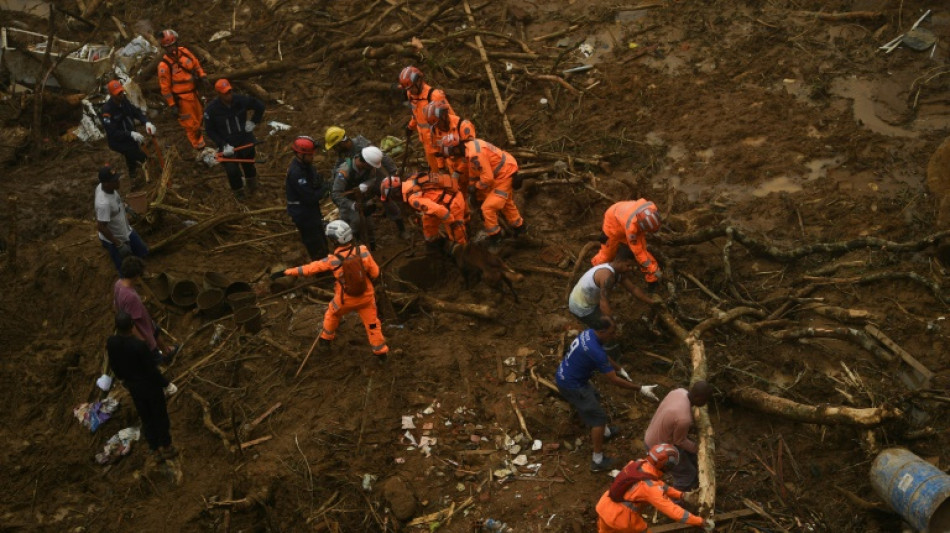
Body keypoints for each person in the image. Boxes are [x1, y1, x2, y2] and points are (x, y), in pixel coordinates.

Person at [271, 220, 389, 359]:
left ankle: (325, 341)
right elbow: (375, 273)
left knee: (332, 314)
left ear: (334, 241)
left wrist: (286, 272)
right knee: (373, 325)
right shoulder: (363, 251)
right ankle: (381, 354)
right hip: (366, 298)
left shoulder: (333, 260)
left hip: (345, 300)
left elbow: (309, 269)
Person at [555, 320, 658, 472]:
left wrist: (619, 368)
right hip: (572, 385)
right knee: (598, 418)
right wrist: (640, 388)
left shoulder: (589, 334)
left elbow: (603, 356)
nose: (613, 336)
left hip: (570, 376)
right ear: (602, 331)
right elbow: (613, 380)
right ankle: (597, 460)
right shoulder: (594, 350)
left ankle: (606, 432)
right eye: (611, 333)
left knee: (595, 396)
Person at [107, 310, 179, 462]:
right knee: (159, 416)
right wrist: (166, 383)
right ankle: (167, 447)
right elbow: (151, 371)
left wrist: (124, 380)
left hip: (134, 387)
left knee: (146, 417)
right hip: (150, 387)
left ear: (116, 327)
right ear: (132, 326)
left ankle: (155, 450)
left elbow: (114, 365)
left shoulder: (112, 343)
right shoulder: (139, 346)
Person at [595, 444, 714, 533]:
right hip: (622, 518)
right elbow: (674, 512)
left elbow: (658, 485)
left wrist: (681, 495)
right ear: (666, 466)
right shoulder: (650, 488)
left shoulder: (639, 464)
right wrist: (701, 522)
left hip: (605, 505)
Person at [325, 126, 409, 239]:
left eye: (335, 147)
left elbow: (382, 156)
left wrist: (393, 172)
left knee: (387, 199)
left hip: (375, 176)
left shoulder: (361, 144)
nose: (335, 150)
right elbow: (338, 171)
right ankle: (366, 238)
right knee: (360, 209)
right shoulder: (343, 155)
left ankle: (401, 228)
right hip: (360, 182)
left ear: (341, 143)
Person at [441, 133, 525, 244]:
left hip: (504, 175)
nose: (453, 157)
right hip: (503, 172)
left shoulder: (475, 155)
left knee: (487, 208)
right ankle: (520, 228)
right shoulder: (469, 149)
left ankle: (496, 238)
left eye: (452, 153)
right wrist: (470, 186)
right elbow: (473, 172)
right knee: (506, 203)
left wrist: (475, 187)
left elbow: (487, 179)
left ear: (456, 149)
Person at [569, 247, 659, 333]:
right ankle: (604, 346)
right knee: (608, 330)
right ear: (619, 261)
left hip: (589, 301)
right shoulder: (607, 276)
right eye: (628, 265)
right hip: (581, 307)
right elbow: (604, 303)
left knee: (608, 322)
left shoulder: (618, 272)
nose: (630, 269)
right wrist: (611, 323)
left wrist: (651, 302)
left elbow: (633, 289)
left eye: (632, 267)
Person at [644, 381, 713, 491]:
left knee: (691, 458)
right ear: (698, 398)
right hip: (657, 449)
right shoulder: (684, 419)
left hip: (651, 435)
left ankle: (693, 485)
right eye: (705, 400)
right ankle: (675, 502)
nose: (705, 403)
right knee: (687, 474)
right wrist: (699, 449)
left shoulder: (678, 392)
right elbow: (679, 442)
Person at [203, 79, 265, 198]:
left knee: (248, 164)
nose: (229, 95)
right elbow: (210, 131)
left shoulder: (240, 100)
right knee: (232, 171)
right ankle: (239, 194)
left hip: (244, 139)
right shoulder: (211, 110)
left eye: (230, 92)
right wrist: (223, 144)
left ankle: (253, 187)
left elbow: (260, 106)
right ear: (219, 94)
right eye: (225, 93)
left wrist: (253, 122)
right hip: (227, 145)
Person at [114, 256, 178, 365]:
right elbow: (132, 325)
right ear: (136, 275)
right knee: (152, 350)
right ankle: (162, 361)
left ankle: (167, 351)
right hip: (142, 329)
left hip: (145, 322)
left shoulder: (118, 283)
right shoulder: (130, 296)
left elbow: (115, 305)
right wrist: (141, 340)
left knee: (156, 332)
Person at [591, 200, 662, 291]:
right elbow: (638, 252)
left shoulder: (651, 207)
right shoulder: (631, 228)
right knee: (607, 255)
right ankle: (595, 271)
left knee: (643, 250)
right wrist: (652, 268)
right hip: (613, 223)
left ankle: (652, 278)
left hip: (623, 216)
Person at [156, 29, 208, 151]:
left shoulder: (184, 52)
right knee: (191, 125)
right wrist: (172, 105)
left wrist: (202, 75)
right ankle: (199, 148)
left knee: (200, 118)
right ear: (164, 48)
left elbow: (196, 64)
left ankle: (201, 144)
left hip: (194, 94)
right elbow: (165, 88)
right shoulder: (164, 66)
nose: (171, 49)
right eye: (168, 47)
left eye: (173, 45)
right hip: (183, 99)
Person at [399, 65, 455, 171]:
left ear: (419, 81)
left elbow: (452, 119)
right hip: (428, 144)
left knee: (453, 174)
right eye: (408, 88)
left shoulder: (435, 96)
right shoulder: (410, 94)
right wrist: (411, 126)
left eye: (412, 88)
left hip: (442, 144)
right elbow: (416, 114)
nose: (411, 91)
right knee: (436, 175)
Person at [331, 146, 388, 250]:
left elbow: (373, 178)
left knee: (369, 224)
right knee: (354, 224)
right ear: (363, 162)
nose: (372, 168)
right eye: (370, 166)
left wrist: (366, 185)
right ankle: (353, 248)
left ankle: (372, 246)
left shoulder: (369, 167)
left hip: (362, 199)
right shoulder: (344, 172)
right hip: (347, 202)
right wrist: (351, 205)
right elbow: (336, 194)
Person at [100, 80, 156, 182]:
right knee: (140, 156)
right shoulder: (107, 110)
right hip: (118, 142)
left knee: (130, 157)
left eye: (121, 92)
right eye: (118, 94)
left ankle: (133, 176)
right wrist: (130, 134)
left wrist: (146, 122)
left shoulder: (124, 101)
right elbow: (112, 132)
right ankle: (151, 173)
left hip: (130, 137)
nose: (121, 95)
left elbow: (136, 112)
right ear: (112, 95)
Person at [95, 165, 147, 273]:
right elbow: (101, 227)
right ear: (106, 184)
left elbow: (115, 201)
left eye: (117, 178)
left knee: (142, 251)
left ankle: (141, 272)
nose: (118, 181)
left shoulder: (105, 187)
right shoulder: (104, 203)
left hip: (125, 230)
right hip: (114, 238)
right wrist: (118, 244)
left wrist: (125, 206)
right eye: (115, 180)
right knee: (124, 268)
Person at [285, 136, 329, 260]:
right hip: (303, 215)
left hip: (312, 211)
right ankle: (321, 270)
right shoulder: (297, 173)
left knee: (322, 240)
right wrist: (325, 189)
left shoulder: (307, 166)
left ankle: (326, 263)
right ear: (300, 154)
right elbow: (310, 197)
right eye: (310, 155)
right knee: (315, 244)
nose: (312, 157)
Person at [401, 170, 468, 252]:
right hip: (441, 198)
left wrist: (451, 222)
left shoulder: (412, 199)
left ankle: (461, 250)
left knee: (456, 230)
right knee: (428, 222)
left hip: (453, 200)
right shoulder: (409, 182)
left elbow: (440, 211)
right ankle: (434, 245)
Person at [425, 99, 476, 174]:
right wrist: (441, 167)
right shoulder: (435, 130)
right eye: (435, 125)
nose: (437, 127)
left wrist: (459, 171)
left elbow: (471, 152)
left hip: (468, 168)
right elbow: (438, 151)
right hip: (452, 167)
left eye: (438, 123)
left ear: (444, 117)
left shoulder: (464, 126)